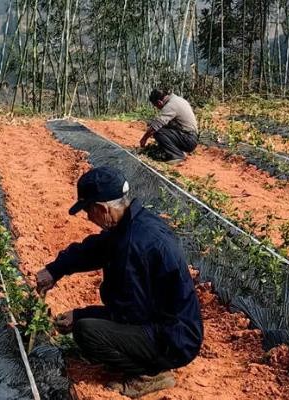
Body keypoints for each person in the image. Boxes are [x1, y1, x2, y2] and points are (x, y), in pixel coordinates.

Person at [36, 166, 203, 399]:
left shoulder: (133, 247)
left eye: (88, 211)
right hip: (169, 325)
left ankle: (150, 374)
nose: (88, 217)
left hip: (173, 339)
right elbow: (94, 249)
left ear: (102, 208)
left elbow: (129, 314)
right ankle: (142, 357)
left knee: (87, 332)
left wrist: (81, 315)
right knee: (91, 322)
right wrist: (54, 270)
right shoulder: (134, 223)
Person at [139, 89, 198, 165]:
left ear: (159, 102)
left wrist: (144, 139)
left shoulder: (171, 105)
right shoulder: (177, 99)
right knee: (163, 128)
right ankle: (178, 151)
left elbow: (157, 125)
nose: (158, 108)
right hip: (190, 136)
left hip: (188, 139)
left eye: (156, 106)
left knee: (157, 131)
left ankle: (177, 155)